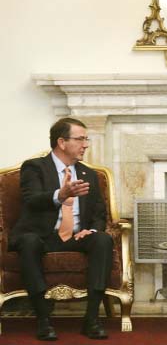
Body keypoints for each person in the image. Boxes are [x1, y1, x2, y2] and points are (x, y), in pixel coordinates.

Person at [9, 118, 113, 341]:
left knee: (102, 240)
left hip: (76, 236)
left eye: (87, 139)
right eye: (80, 139)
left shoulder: (87, 174)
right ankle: (43, 319)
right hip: (42, 235)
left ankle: (92, 319)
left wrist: (92, 231)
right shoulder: (34, 167)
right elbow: (32, 200)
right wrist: (61, 194)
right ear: (61, 142)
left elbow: (98, 213)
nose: (86, 144)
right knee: (28, 242)